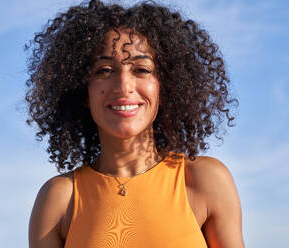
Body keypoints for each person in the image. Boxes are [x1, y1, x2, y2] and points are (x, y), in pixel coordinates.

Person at [26, 0, 244, 247]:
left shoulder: (204, 181)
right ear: (81, 90)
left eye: (141, 69)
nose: (123, 86)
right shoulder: (60, 199)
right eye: (104, 70)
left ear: (165, 86)